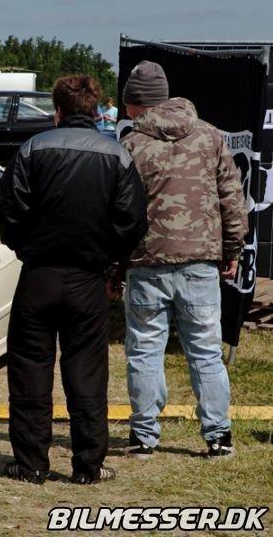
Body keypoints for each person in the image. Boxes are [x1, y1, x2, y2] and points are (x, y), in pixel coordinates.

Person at [0, 75, 148, 485]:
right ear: (97, 112)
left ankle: (31, 464)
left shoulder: (32, 149)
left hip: (38, 275)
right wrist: (108, 257)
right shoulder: (116, 155)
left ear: (57, 111)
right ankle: (88, 466)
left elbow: (6, 210)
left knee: (29, 370)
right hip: (87, 279)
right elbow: (133, 221)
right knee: (87, 374)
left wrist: (26, 246)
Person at [118, 61, 247, 459]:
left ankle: (143, 436)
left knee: (144, 350)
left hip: (146, 262)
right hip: (200, 263)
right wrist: (233, 251)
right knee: (205, 351)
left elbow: (118, 213)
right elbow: (232, 198)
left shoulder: (131, 145)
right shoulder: (209, 136)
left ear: (134, 103)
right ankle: (218, 435)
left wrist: (113, 266)